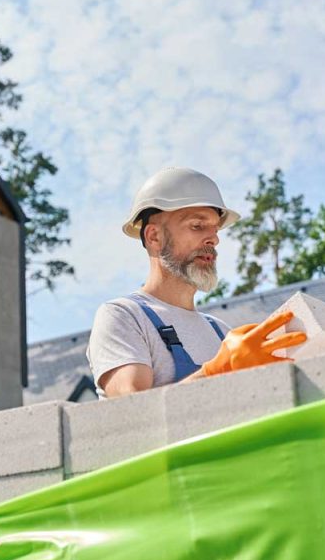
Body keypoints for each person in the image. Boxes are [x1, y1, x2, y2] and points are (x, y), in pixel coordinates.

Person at [87, 167, 307, 398]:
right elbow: (133, 410)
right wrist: (217, 370)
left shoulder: (221, 332)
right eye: (197, 226)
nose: (214, 239)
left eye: (215, 230)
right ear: (154, 237)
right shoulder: (123, 316)